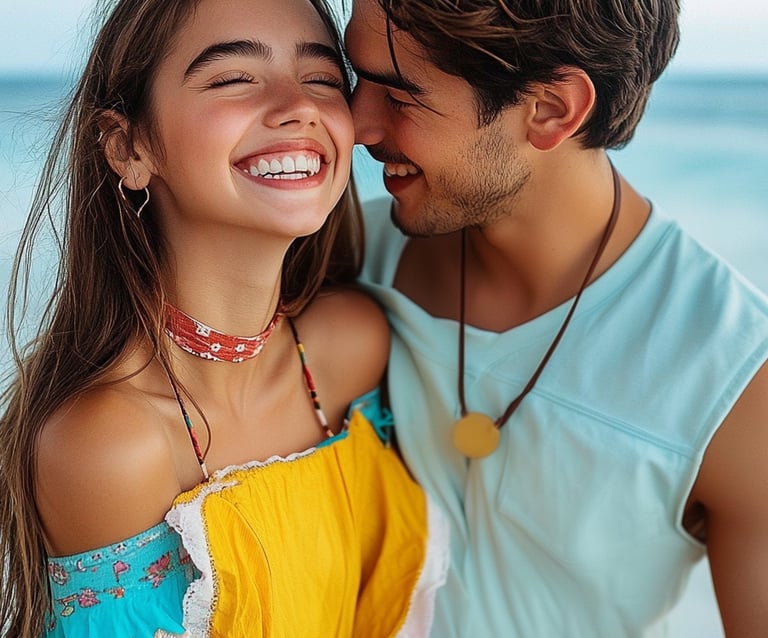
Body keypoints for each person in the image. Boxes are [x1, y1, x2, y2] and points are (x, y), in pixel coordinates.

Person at [0, 0, 449, 635]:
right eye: (234, 78)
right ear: (128, 148)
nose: (299, 107)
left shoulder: (355, 344)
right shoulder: (112, 448)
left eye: (323, 80)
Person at [344, 0, 768, 636]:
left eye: (400, 95)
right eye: (356, 79)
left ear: (551, 109)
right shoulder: (342, 260)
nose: (356, 125)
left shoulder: (736, 383)